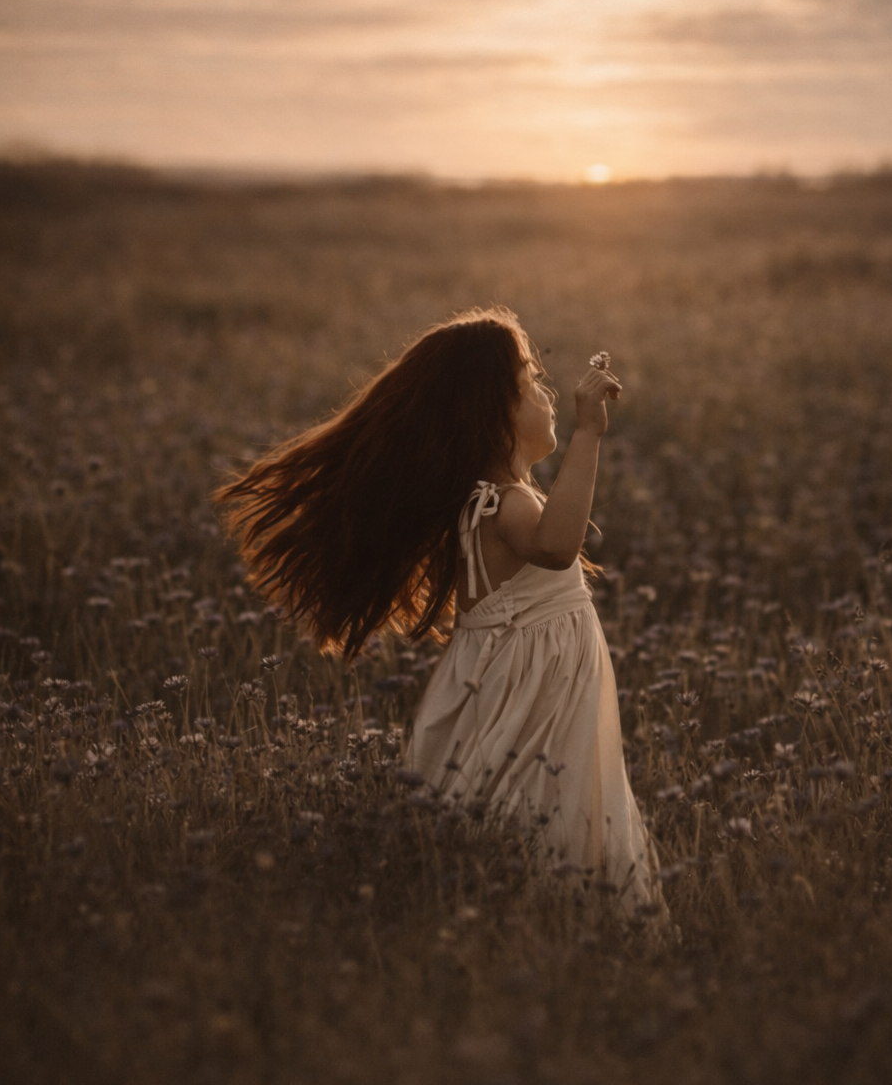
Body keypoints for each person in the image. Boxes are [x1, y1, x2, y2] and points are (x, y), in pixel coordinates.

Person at [215, 306, 661, 914]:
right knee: (545, 801)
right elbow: (559, 546)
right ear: (490, 412)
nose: (547, 393)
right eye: (530, 384)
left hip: (509, 683)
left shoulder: (484, 501)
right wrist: (588, 433)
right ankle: (556, 914)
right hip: (528, 691)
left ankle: (503, 903)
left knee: (512, 800)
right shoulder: (505, 506)